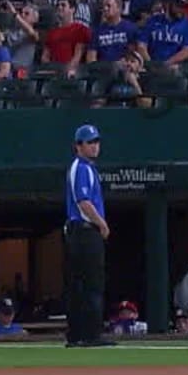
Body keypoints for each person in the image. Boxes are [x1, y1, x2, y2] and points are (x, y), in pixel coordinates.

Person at [64, 124, 114, 348]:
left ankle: (77, 335)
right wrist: (102, 224)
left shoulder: (88, 168)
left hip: (80, 232)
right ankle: (91, 334)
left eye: (96, 142)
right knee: (91, 283)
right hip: (84, 231)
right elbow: (83, 202)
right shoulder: (81, 168)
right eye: (90, 142)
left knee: (81, 284)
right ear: (78, 146)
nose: (95, 146)